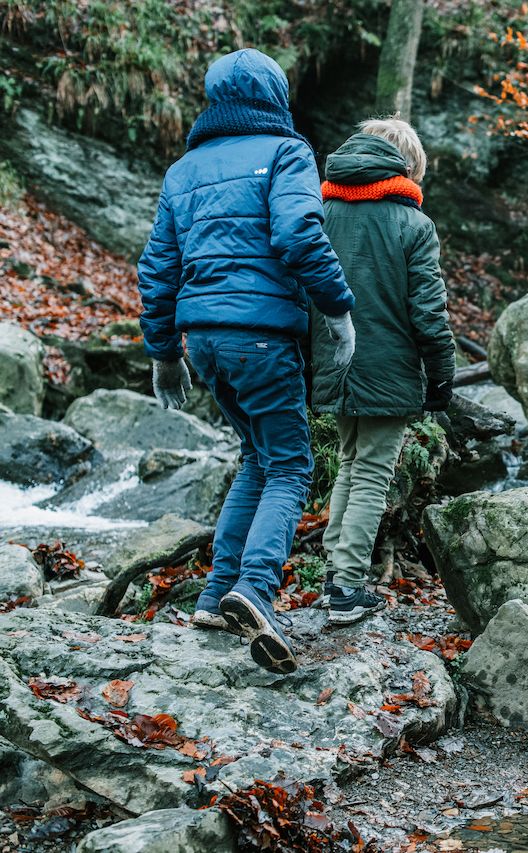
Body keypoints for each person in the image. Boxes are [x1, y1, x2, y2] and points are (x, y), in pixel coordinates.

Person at [137, 48, 356, 674]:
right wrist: (338, 311)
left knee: (255, 458)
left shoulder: (184, 170)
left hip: (201, 341)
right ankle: (255, 590)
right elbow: (297, 235)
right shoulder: (287, 153)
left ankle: (213, 597)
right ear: (275, 97)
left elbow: (158, 269)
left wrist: (164, 356)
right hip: (260, 336)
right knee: (290, 465)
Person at [310, 118, 455, 625]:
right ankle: (348, 587)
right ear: (408, 166)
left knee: (351, 462)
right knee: (371, 470)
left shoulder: (322, 212)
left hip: (335, 362)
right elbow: (429, 314)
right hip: (389, 368)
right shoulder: (413, 225)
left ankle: (334, 573)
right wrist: (441, 374)